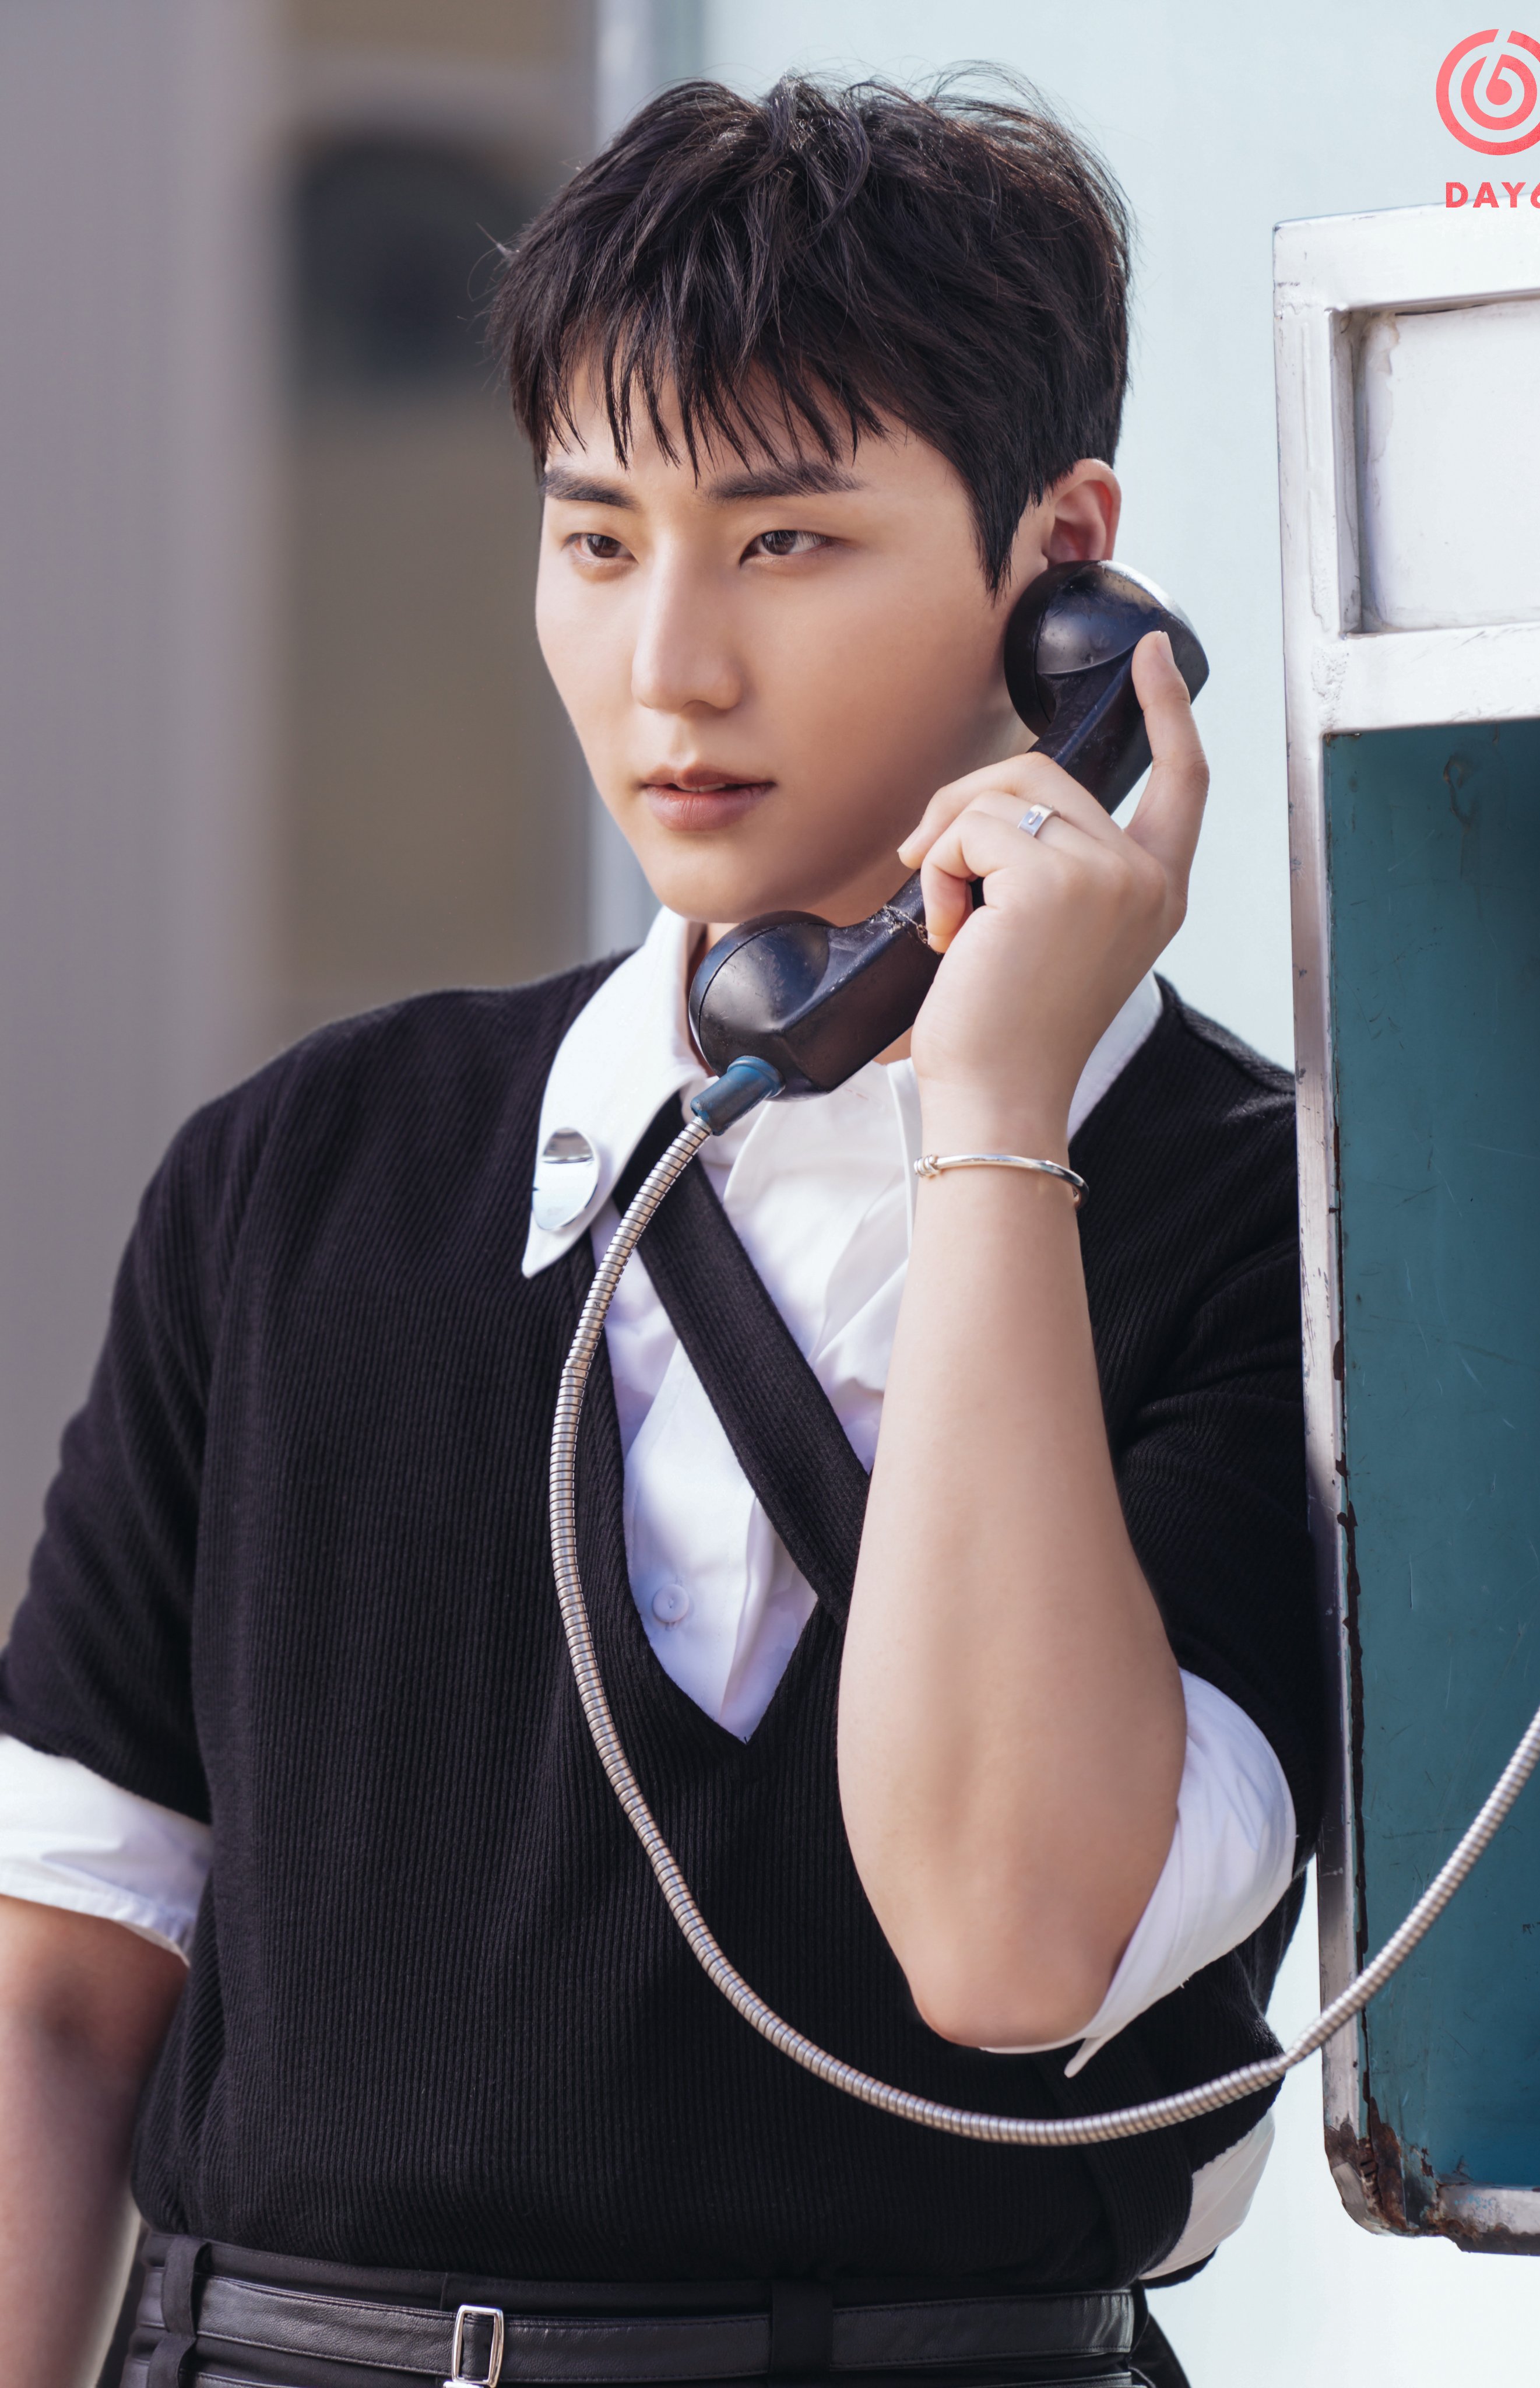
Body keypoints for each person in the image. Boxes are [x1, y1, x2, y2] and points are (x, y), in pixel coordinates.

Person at [0, 74, 1320, 2388]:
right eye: (596, 540)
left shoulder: (1267, 1217)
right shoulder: (304, 1174)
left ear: (1064, 571)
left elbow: (1007, 1940)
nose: (666, 669)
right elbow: (58, 1992)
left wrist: (992, 1115)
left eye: (784, 543)